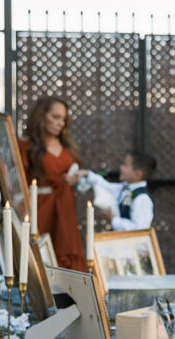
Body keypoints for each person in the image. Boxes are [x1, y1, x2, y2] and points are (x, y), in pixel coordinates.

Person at [18, 96, 86, 271]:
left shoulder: (66, 145)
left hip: (65, 208)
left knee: (67, 262)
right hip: (40, 209)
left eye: (63, 119)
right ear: (42, 116)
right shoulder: (26, 145)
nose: (60, 123)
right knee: (41, 262)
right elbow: (16, 180)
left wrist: (77, 177)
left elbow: (76, 168)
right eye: (55, 117)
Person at [98, 152, 156, 231]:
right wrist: (88, 175)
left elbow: (139, 230)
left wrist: (114, 220)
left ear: (137, 174)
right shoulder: (124, 187)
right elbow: (107, 186)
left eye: (125, 165)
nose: (121, 167)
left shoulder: (142, 199)